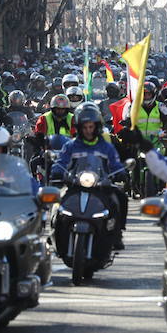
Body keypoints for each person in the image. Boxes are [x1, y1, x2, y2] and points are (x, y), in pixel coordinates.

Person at [53, 104, 128, 249]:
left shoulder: (106, 147)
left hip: (100, 186)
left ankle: (117, 234)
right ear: (79, 128)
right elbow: (60, 161)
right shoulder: (70, 146)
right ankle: (56, 232)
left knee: (120, 197)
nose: (88, 130)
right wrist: (57, 170)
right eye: (85, 127)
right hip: (74, 185)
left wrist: (120, 172)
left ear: (97, 127)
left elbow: (115, 164)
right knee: (58, 203)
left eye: (91, 127)